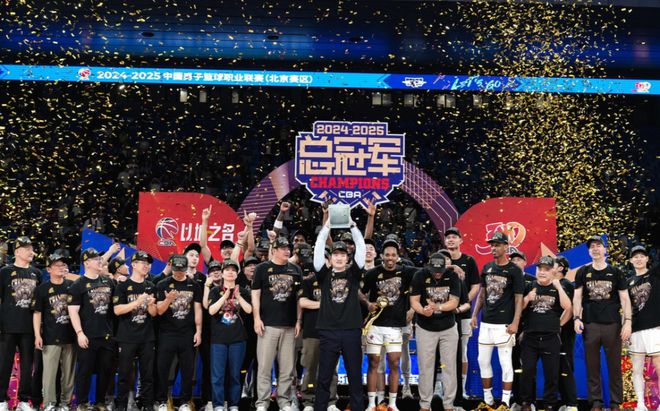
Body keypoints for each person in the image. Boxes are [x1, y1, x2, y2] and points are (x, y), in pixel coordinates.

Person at [312, 213, 366, 411]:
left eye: (343, 255)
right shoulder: (323, 274)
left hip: (351, 330)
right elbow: (318, 247)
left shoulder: (354, 273)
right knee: (324, 376)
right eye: (336, 254)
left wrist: (353, 226)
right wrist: (326, 227)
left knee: (355, 375)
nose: (340, 257)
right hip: (328, 331)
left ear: (347, 257)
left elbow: (361, 247)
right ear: (331, 257)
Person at [573, 235, 632, 411]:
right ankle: (596, 402)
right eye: (592, 246)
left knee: (614, 365)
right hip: (590, 324)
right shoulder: (583, 271)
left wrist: (627, 322)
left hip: (612, 324)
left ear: (605, 249)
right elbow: (577, 297)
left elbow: (625, 298)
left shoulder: (616, 272)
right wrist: (576, 318)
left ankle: (615, 402)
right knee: (592, 365)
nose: (595, 248)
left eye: (598, 245)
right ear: (589, 251)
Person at [362, 237, 417, 411]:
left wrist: (451, 267)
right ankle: (372, 404)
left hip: (395, 326)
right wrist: (368, 303)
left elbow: (427, 271)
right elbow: (359, 291)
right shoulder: (372, 274)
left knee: (394, 364)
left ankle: (392, 404)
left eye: (393, 255)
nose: (390, 258)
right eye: (387, 255)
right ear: (382, 256)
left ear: (398, 257)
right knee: (373, 364)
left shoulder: (406, 272)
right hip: (375, 326)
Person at [470, 232, 523, 408]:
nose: (493, 248)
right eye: (492, 245)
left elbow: (519, 299)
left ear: (506, 246)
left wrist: (515, 322)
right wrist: (474, 315)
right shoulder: (487, 267)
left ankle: (505, 403)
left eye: (497, 245)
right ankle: (488, 400)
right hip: (486, 323)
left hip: (504, 324)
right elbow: (482, 294)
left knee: (505, 364)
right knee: (482, 361)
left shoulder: (514, 270)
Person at [251, 237, 302, 411]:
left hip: (289, 325)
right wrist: (256, 318)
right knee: (264, 367)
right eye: (283, 248)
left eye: (288, 248)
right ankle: (262, 403)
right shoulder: (262, 268)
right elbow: (255, 295)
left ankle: (284, 401)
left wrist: (299, 321)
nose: (287, 251)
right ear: (274, 250)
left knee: (287, 369)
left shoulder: (296, 269)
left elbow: (299, 298)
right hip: (268, 325)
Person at [519, 256, 572, 411]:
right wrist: (527, 299)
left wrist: (559, 287)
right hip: (530, 337)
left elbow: (568, 307)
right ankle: (527, 403)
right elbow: (518, 309)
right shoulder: (529, 286)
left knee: (551, 374)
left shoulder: (557, 287)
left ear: (552, 272)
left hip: (551, 338)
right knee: (527, 372)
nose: (542, 272)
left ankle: (550, 404)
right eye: (539, 269)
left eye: (546, 269)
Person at [410, 253, 460, 411]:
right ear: (429, 266)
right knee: (425, 367)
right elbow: (414, 301)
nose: (437, 273)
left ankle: (449, 405)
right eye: (434, 271)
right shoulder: (419, 275)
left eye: (440, 271)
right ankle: (425, 405)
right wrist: (423, 311)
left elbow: (454, 302)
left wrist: (437, 307)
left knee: (449, 367)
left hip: (448, 328)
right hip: (425, 328)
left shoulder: (452, 276)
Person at [68, 248, 116, 411]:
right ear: (87, 263)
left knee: (105, 371)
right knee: (85, 371)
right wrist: (79, 333)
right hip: (87, 335)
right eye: (96, 259)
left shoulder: (109, 282)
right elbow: (73, 311)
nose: (100, 261)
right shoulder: (78, 284)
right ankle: (81, 403)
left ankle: (100, 402)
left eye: (99, 258)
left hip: (107, 335)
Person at [154, 254, 202, 411]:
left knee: (188, 370)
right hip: (167, 333)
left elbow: (197, 309)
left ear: (186, 268)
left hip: (187, 333)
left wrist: (198, 331)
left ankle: (184, 402)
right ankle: (162, 401)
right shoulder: (162, 284)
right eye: (175, 270)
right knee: (163, 368)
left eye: (181, 270)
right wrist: (168, 299)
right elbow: (159, 311)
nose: (178, 273)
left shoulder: (194, 285)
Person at [0, 236, 41, 411]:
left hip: (29, 328)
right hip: (7, 327)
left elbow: (39, 304)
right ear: (17, 252)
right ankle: (1, 400)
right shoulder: (4, 272)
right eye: (27, 248)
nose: (31, 251)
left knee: (27, 366)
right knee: (4, 365)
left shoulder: (37, 273)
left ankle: (24, 401)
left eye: (32, 248)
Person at [113, 251, 158, 411]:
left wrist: (151, 304)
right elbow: (117, 310)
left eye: (148, 263)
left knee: (147, 375)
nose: (146, 265)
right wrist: (137, 302)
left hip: (147, 336)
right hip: (127, 336)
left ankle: (147, 405)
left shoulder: (151, 286)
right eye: (142, 262)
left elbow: (154, 313)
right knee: (124, 374)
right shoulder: (123, 285)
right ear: (133, 264)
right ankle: (121, 405)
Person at [32, 252, 76, 411]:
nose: (61, 267)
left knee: (68, 374)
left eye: (63, 265)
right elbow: (37, 313)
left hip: (70, 336)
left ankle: (65, 403)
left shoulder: (72, 286)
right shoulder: (42, 289)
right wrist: (37, 335)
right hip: (50, 337)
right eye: (57, 265)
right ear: (48, 269)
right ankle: (49, 403)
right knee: (49, 374)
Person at [208, 259, 252, 411]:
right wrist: (224, 296)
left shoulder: (243, 291)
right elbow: (211, 311)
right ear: (222, 273)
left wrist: (238, 296)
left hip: (238, 339)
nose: (230, 272)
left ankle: (233, 404)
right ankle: (219, 404)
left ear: (237, 274)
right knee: (218, 375)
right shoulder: (215, 291)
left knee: (235, 375)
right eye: (227, 270)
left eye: (233, 270)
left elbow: (249, 310)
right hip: (218, 339)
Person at [443, 227, 480, 399]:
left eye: (454, 237)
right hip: (443, 314)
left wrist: (464, 302)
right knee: (443, 353)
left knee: (462, 351)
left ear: (460, 240)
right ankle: (443, 387)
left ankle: (461, 389)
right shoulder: (440, 259)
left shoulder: (469, 260)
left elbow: (476, 286)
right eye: (448, 237)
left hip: (463, 314)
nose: (451, 239)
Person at [626, 244, 660, 411]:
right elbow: (626, 306)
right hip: (635, 329)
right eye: (635, 256)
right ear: (631, 260)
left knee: (659, 366)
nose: (638, 259)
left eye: (641, 256)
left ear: (647, 258)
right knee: (637, 368)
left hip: (655, 327)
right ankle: (640, 403)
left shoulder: (655, 274)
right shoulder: (628, 282)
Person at [553, 256, 577, 411]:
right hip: (554, 333)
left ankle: (571, 404)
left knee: (565, 367)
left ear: (561, 268)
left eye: (553, 264)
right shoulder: (552, 284)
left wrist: (559, 326)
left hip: (565, 333)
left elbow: (570, 309)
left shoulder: (566, 284)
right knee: (557, 368)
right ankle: (563, 402)